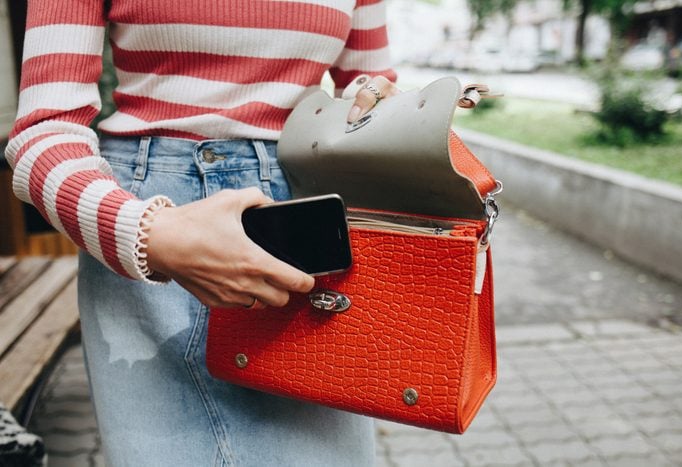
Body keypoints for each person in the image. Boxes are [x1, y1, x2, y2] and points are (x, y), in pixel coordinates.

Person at [5, 1, 398, 465]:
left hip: (301, 233)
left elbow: (372, 86)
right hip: (150, 232)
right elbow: (43, 130)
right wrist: (151, 234)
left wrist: (379, 103)